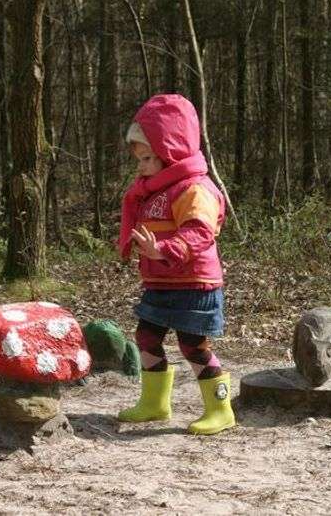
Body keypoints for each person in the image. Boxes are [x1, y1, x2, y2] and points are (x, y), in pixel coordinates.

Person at [116, 94, 235, 435]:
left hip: (194, 283)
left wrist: (163, 249)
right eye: (138, 159)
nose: (140, 167)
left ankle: (221, 409)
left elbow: (200, 232)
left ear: (171, 154)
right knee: (146, 336)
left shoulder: (194, 189)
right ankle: (154, 403)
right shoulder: (155, 190)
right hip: (160, 282)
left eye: (147, 158)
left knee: (192, 345)